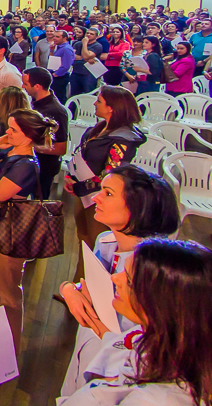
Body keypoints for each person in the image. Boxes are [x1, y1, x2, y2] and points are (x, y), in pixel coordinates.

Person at [59, 239, 212, 406]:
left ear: (165, 308)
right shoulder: (167, 349)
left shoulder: (154, 400)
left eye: (128, 280)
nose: (115, 279)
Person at [58, 165, 179, 398]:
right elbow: (93, 287)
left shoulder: (154, 271)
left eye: (108, 193)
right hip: (87, 346)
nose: (96, 198)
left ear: (138, 207)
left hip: (117, 372)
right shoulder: (106, 241)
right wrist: (69, 289)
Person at [0, 109, 57, 347]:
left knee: (8, 293)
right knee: (3, 287)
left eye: (13, 129)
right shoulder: (10, 151)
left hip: (11, 228)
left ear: (28, 137)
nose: (7, 132)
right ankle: (3, 342)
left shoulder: (25, 165)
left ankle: (9, 348)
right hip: (1, 222)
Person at [65, 86, 145, 280]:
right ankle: (79, 283)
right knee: (83, 239)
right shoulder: (100, 128)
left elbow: (110, 174)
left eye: (99, 101)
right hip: (82, 192)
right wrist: (71, 177)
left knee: (97, 246)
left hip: (99, 197)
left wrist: (79, 186)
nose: (94, 103)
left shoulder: (124, 140)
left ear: (112, 108)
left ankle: (93, 289)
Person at [23, 67, 71, 200]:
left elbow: (61, 148)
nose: (23, 87)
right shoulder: (35, 102)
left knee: (38, 202)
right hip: (33, 163)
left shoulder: (56, 112)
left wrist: (30, 145)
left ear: (37, 86)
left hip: (44, 166)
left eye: (26, 84)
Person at [49, 30, 76, 102]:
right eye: (54, 36)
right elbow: (54, 60)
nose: (54, 38)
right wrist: (51, 51)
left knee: (59, 97)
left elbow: (66, 65)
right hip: (55, 73)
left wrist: (56, 74)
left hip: (60, 76)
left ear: (65, 38)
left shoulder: (66, 49)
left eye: (57, 37)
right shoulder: (58, 47)